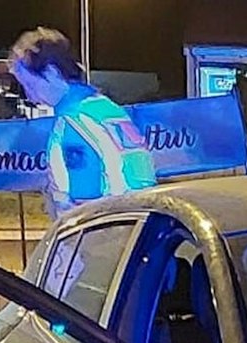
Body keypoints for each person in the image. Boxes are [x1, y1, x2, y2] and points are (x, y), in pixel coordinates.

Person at [8, 27, 158, 217]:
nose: (30, 95)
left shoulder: (75, 121)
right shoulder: (105, 108)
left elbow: (87, 196)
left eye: (30, 84)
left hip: (106, 234)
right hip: (135, 225)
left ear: (52, 73)